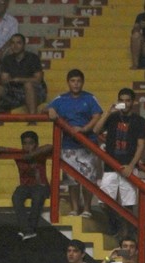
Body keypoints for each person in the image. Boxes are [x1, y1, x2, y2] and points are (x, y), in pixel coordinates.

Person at [92, 88, 145, 239]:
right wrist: (108, 112)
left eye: (128, 100)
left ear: (133, 102)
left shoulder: (139, 120)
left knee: (128, 204)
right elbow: (96, 130)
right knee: (103, 202)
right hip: (111, 166)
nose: (125, 103)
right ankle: (117, 225)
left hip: (128, 166)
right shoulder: (112, 117)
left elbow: (141, 145)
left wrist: (131, 165)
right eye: (122, 100)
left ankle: (126, 234)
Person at [46, 69, 103, 218]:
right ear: (68, 82)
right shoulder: (60, 99)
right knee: (71, 179)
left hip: (87, 144)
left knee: (88, 179)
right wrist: (51, 109)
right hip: (68, 145)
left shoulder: (90, 98)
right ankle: (74, 208)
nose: (76, 84)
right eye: (73, 81)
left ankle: (87, 209)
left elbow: (97, 116)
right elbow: (46, 108)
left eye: (78, 81)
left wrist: (84, 129)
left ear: (82, 82)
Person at [0, 129, 51, 240]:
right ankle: (28, 230)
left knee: (37, 198)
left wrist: (33, 154)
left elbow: (50, 146)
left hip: (41, 186)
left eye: (31, 143)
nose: (27, 146)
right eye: (25, 143)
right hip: (24, 186)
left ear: (36, 144)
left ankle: (27, 230)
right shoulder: (18, 153)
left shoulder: (41, 153)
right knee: (16, 197)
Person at [0, 0, 18, 76]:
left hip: (5, 49)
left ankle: (3, 79)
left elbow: (13, 39)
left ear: (6, 5)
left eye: (1, 4)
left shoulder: (12, 21)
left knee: (13, 51)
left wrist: (1, 51)